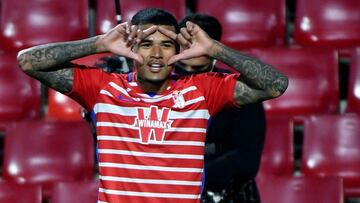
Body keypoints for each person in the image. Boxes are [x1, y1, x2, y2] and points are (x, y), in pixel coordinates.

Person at [17, 8, 288, 203]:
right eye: (146, 44)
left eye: (167, 45)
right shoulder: (102, 87)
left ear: (179, 50)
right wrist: (99, 43)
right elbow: (28, 61)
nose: (156, 54)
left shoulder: (202, 90)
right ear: (132, 46)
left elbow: (275, 84)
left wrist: (215, 49)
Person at [176, 14, 266, 203]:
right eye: (182, 67)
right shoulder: (156, 87)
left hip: (225, 194)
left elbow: (247, 159)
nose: (189, 77)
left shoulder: (240, 91)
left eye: (198, 70)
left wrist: (188, 179)